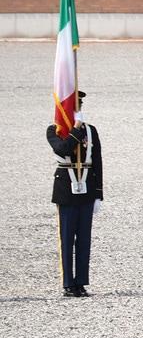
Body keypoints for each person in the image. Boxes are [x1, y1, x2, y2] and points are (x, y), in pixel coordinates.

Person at [47, 90, 103, 298]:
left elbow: (97, 161)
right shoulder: (54, 130)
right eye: (73, 106)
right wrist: (75, 130)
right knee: (67, 237)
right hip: (66, 189)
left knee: (84, 239)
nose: (77, 109)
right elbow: (63, 149)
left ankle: (81, 282)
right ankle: (68, 283)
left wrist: (99, 193)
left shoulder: (91, 130)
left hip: (86, 187)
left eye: (78, 106)